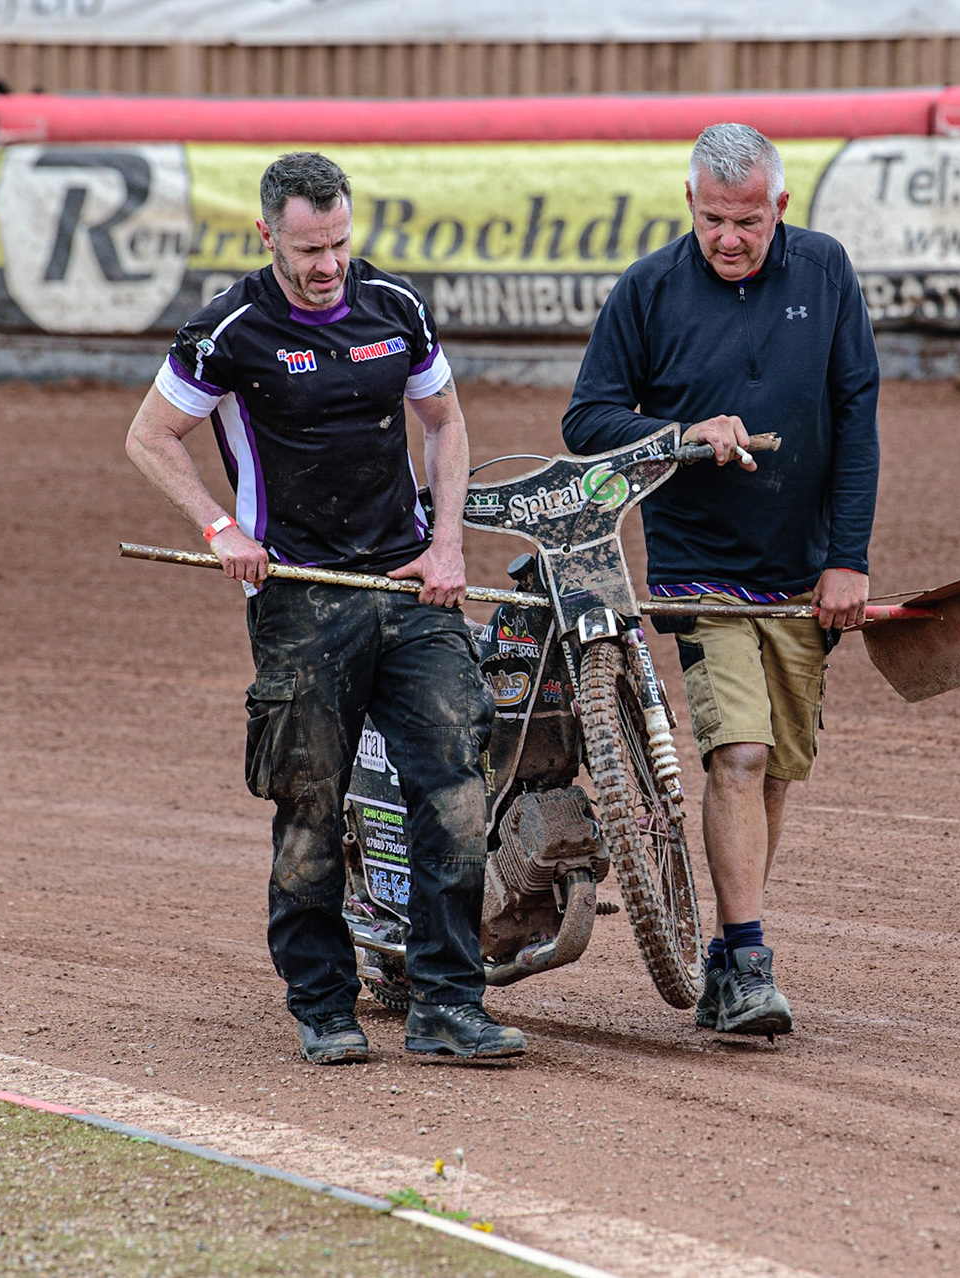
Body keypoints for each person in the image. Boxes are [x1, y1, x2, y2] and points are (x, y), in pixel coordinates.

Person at [125, 151, 524, 1063]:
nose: (327, 264)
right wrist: (221, 525)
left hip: (407, 585)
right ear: (267, 235)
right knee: (309, 802)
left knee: (458, 791)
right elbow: (150, 436)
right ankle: (323, 1006)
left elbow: (448, 422)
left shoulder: (396, 308)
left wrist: (449, 543)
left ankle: (447, 1004)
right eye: (308, 248)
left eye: (339, 242)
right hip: (303, 600)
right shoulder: (227, 328)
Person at [562, 123, 880, 1037]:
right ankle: (749, 964)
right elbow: (586, 420)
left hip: (802, 571)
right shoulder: (650, 291)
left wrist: (847, 557)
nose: (729, 238)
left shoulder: (824, 273)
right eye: (712, 220)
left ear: (780, 207)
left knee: (774, 769)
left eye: (747, 220)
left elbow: (856, 418)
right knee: (737, 755)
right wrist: (680, 437)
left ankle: (723, 960)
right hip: (701, 572)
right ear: (689, 205)